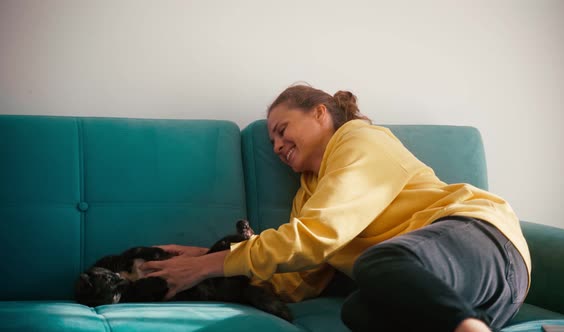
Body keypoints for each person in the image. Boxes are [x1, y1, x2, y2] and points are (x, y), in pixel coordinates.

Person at [140, 84, 531, 332]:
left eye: (282, 129)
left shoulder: (359, 139)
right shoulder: (308, 193)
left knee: (377, 263)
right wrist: (210, 256)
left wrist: (208, 267)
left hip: (482, 243)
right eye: (272, 141)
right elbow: (298, 280)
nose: (276, 146)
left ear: (320, 112)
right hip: (467, 296)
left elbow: (313, 237)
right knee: (358, 311)